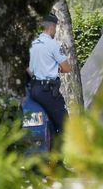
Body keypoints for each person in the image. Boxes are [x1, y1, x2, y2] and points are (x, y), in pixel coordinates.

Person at [28, 13, 71, 149]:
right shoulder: (53, 44)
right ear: (52, 27)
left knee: (48, 123)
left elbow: (28, 69)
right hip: (48, 91)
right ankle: (59, 159)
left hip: (34, 89)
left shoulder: (32, 44)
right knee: (65, 124)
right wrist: (54, 68)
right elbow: (66, 68)